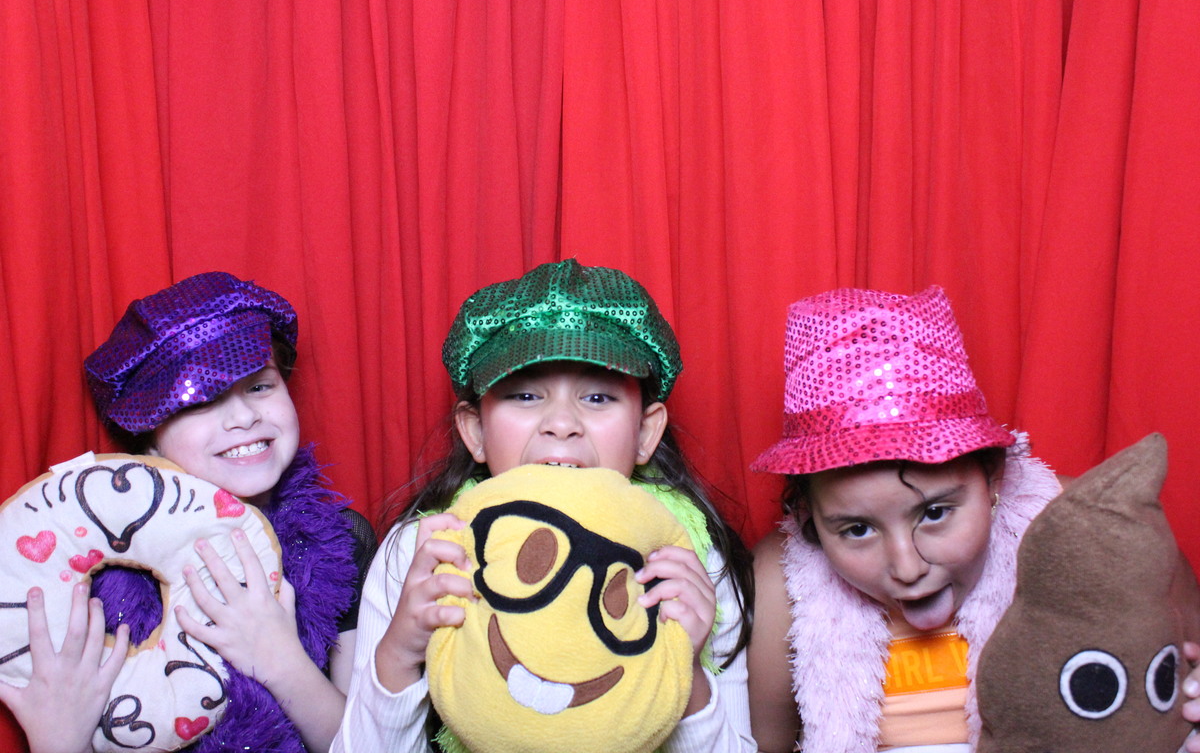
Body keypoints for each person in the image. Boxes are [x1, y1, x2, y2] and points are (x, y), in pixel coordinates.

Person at [746, 285, 1200, 753]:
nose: (908, 567)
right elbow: (764, 746)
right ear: (810, 516)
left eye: (935, 513)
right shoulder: (784, 581)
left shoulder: (1085, 527)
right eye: (857, 529)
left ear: (994, 476)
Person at [333, 259, 756, 752]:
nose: (562, 423)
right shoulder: (422, 553)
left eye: (598, 398)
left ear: (645, 433)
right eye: (525, 394)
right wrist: (399, 653)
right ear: (475, 431)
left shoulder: (691, 561)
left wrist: (686, 670)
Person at [0, 271, 376, 753]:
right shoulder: (95, 573)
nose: (244, 417)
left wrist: (282, 661)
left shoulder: (342, 540)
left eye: (260, 386)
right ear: (150, 438)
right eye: (200, 400)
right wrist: (58, 736)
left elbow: (368, 742)